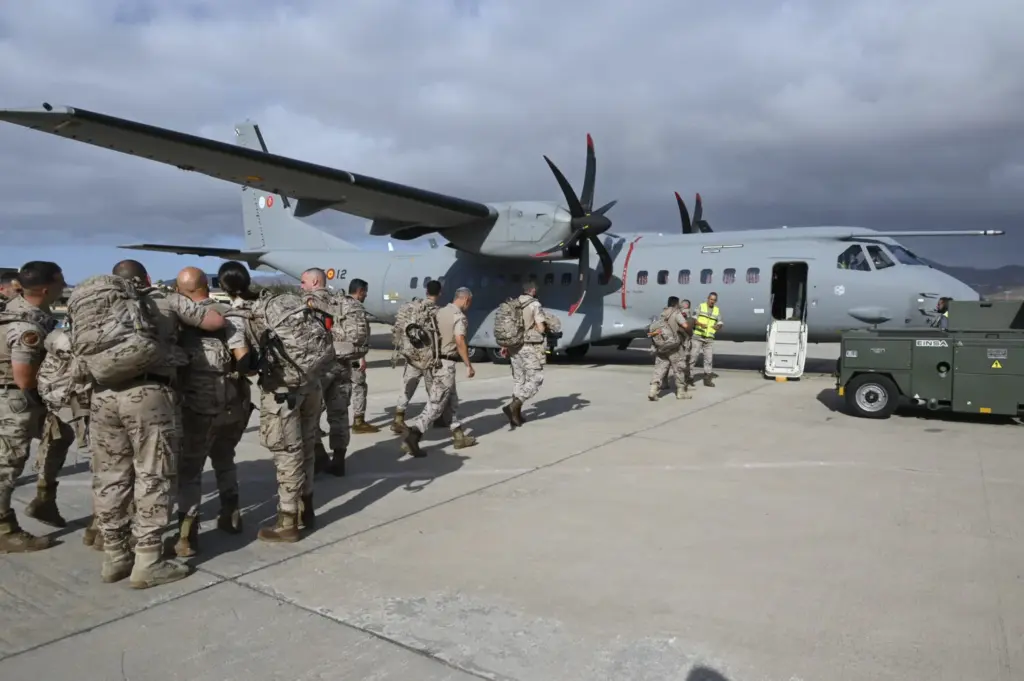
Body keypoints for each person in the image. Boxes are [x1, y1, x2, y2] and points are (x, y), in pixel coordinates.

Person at [89, 259, 225, 587]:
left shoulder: (100, 306)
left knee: (110, 476)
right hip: (147, 395)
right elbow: (213, 320)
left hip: (103, 394)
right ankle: (148, 561)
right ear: (146, 278)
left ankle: (115, 557)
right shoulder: (161, 300)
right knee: (153, 474)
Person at [171, 267, 251, 557]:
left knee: (190, 472)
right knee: (225, 460)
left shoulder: (179, 320)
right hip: (232, 405)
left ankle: (186, 536)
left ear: (181, 292)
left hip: (196, 410)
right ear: (207, 285)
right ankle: (232, 515)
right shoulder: (229, 314)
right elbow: (244, 360)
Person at [0, 261, 64, 553]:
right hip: (18, 399)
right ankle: (3, 529)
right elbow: (24, 376)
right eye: (61, 281)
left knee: (61, 436)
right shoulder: (27, 326)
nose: (65, 286)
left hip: (21, 397)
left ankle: (44, 498)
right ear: (48, 288)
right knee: (7, 465)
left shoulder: (28, 312)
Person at [400, 287, 477, 456]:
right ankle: (413, 437)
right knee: (436, 405)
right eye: (469, 303)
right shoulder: (458, 316)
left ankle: (458, 436)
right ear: (465, 300)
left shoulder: (439, 312)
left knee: (452, 401)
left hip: (433, 362)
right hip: (446, 364)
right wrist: (468, 364)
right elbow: (460, 340)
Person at [300, 267, 350, 476]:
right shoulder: (342, 301)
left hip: (318, 367)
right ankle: (339, 460)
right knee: (339, 413)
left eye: (303, 282)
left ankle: (319, 455)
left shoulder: (304, 304)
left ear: (314, 282)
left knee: (308, 414)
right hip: (342, 363)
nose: (301, 287)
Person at [391, 279, 443, 434]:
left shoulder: (413, 308)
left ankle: (399, 418)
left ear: (426, 291)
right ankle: (436, 417)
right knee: (433, 388)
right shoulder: (437, 311)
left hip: (413, 355)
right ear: (440, 293)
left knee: (408, 385)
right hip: (429, 357)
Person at [502, 281, 546, 427]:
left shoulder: (513, 303)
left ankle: (515, 416)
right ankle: (514, 405)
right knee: (537, 378)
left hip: (514, 346)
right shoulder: (535, 304)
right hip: (528, 346)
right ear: (532, 290)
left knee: (518, 380)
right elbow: (540, 328)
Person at [345, 279, 379, 434]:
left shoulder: (338, 305)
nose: (366, 295)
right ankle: (358, 421)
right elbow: (357, 335)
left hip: (335, 354)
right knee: (359, 387)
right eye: (365, 291)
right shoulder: (357, 309)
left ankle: (316, 425)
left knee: (333, 390)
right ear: (359, 291)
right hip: (352, 354)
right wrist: (361, 357)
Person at [649, 296, 691, 401]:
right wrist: (689, 332)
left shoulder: (663, 313)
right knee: (679, 369)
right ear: (676, 304)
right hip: (674, 347)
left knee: (660, 369)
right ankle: (681, 392)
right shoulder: (677, 313)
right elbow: (685, 326)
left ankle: (653, 391)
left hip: (662, 346)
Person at [691, 292, 722, 387]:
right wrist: (700, 324)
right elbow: (693, 319)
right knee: (693, 357)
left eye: (714, 300)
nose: (712, 301)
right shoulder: (701, 306)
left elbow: (720, 322)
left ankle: (707, 379)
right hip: (698, 336)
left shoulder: (717, 310)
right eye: (711, 299)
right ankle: (689, 377)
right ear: (708, 299)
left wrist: (718, 326)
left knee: (708, 359)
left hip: (709, 338)